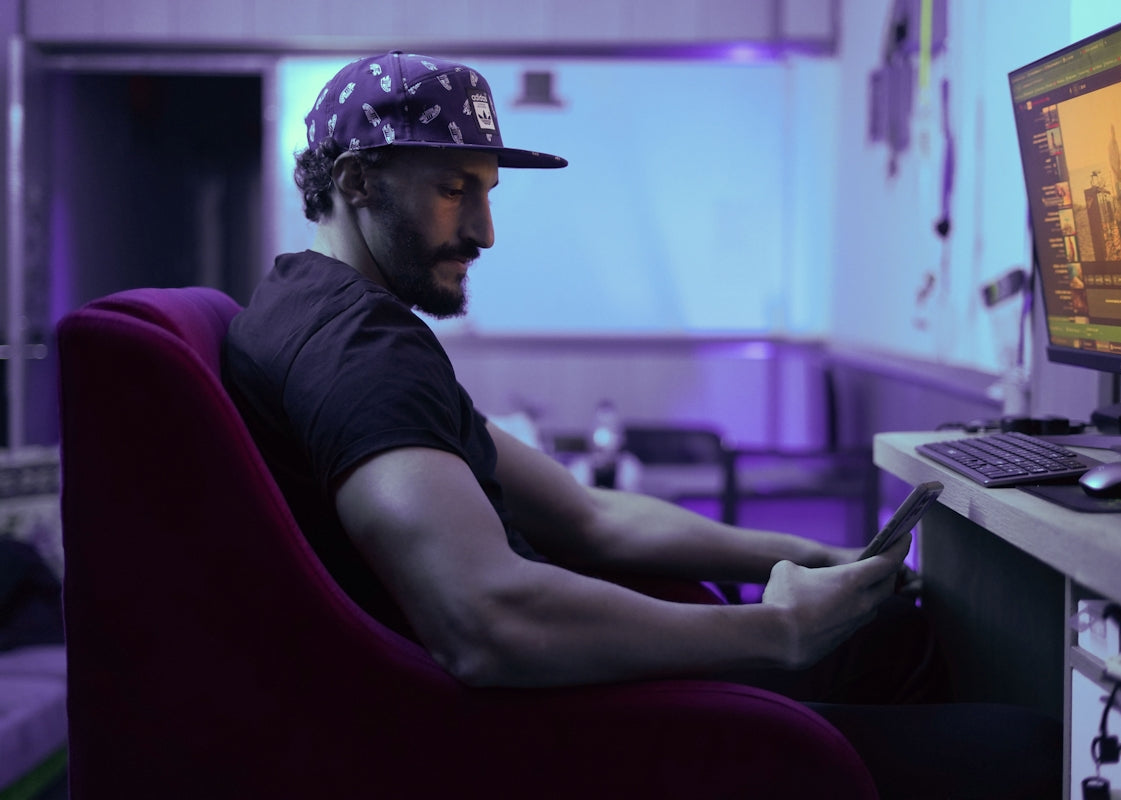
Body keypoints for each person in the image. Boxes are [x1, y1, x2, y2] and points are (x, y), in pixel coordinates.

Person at [223, 51, 1060, 798]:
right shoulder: (361, 355)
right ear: (357, 182)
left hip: (556, 696)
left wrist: (811, 557)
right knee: (1027, 753)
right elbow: (485, 622)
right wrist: (777, 628)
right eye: (453, 190)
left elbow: (593, 516)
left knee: (898, 635)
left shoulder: (312, 306)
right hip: (546, 733)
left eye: (486, 192)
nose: (483, 231)